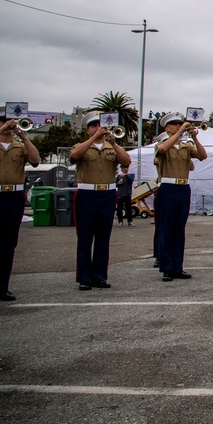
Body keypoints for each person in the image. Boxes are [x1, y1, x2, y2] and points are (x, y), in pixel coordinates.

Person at [0, 106, 41, 304]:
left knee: (8, 242)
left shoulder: (19, 146)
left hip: (13, 196)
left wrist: (24, 136)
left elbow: (36, 160)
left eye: (10, 121)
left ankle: (3, 286)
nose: (8, 124)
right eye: (3, 121)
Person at [70, 111, 132, 290]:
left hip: (107, 194)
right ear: (88, 130)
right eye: (94, 126)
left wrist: (113, 143)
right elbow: (74, 156)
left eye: (101, 125)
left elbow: (126, 161)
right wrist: (94, 139)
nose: (98, 128)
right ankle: (84, 277)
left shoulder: (111, 146)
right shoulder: (81, 145)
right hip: (86, 194)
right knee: (85, 238)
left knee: (103, 238)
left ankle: (99, 276)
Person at [154, 112, 207, 282]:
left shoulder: (186, 147)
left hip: (183, 187)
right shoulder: (162, 144)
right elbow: (162, 150)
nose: (179, 126)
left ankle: (177, 266)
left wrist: (195, 138)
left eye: (180, 124)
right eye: (175, 124)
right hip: (167, 187)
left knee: (179, 230)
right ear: (167, 128)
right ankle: (166, 267)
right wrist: (179, 133)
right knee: (166, 229)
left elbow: (203, 155)